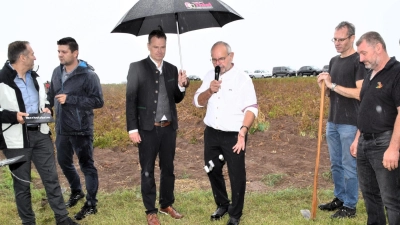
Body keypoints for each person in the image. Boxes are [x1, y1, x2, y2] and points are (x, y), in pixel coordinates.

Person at [0, 41, 79, 225]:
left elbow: (44, 100)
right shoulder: (1, 80)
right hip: (16, 140)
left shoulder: (35, 77)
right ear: (22, 57)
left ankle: (62, 219)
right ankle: (28, 222)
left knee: (51, 178)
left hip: (41, 134)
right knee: (22, 184)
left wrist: (46, 108)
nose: (35, 57)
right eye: (32, 53)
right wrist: (14, 116)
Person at [126, 29, 189, 225]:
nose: (159, 51)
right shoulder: (136, 68)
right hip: (147, 128)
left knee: (168, 168)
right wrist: (132, 129)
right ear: (148, 47)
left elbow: (176, 99)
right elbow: (130, 100)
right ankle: (150, 211)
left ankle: (166, 204)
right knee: (147, 169)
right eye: (156, 47)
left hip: (168, 127)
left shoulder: (171, 69)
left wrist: (181, 86)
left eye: (163, 47)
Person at [193, 41, 258, 225]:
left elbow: (251, 109)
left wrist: (243, 131)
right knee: (211, 168)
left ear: (231, 56)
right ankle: (222, 203)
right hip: (212, 133)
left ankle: (235, 214)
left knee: (236, 174)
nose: (218, 63)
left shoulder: (243, 79)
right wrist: (209, 91)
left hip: (234, 135)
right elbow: (197, 101)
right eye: (214, 59)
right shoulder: (208, 76)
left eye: (221, 58)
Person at [46, 37, 104, 220]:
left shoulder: (89, 75)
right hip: (62, 128)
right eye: (58, 51)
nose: (60, 55)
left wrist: (71, 99)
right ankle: (76, 191)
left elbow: (98, 101)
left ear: (75, 53)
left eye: (64, 52)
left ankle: (91, 203)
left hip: (81, 129)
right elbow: (51, 94)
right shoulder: (57, 72)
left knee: (87, 165)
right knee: (64, 162)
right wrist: (48, 105)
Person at [317, 21, 365, 219]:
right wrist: (323, 85)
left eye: (341, 39)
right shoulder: (334, 61)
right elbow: (330, 91)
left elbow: (360, 93)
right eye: (334, 39)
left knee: (349, 165)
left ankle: (350, 206)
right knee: (335, 164)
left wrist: (333, 85)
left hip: (350, 123)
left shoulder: (358, 61)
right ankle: (340, 197)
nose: (336, 43)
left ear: (352, 38)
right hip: (333, 121)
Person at [350, 31, 400, 225]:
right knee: (370, 196)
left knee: (392, 199)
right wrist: (357, 139)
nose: (361, 59)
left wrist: (394, 148)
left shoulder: (396, 72)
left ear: (378, 47)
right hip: (364, 143)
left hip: (385, 143)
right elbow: (365, 110)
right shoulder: (370, 74)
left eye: (364, 53)